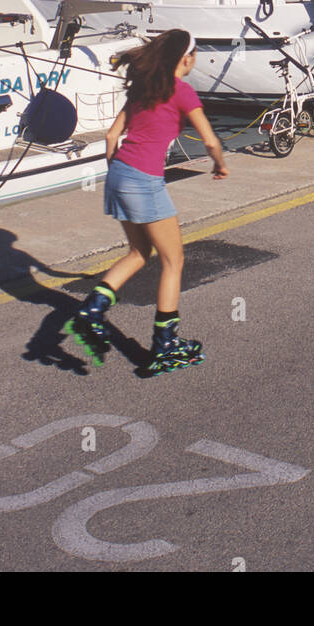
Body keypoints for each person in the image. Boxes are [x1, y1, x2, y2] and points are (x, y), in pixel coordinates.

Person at [65, 29, 227, 376]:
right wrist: (220, 165)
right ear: (186, 59)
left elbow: (112, 136)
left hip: (119, 173)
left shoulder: (142, 88)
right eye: (195, 55)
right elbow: (211, 140)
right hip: (142, 179)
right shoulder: (182, 92)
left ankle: (91, 311)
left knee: (140, 253)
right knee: (174, 261)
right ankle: (165, 345)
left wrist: (119, 174)